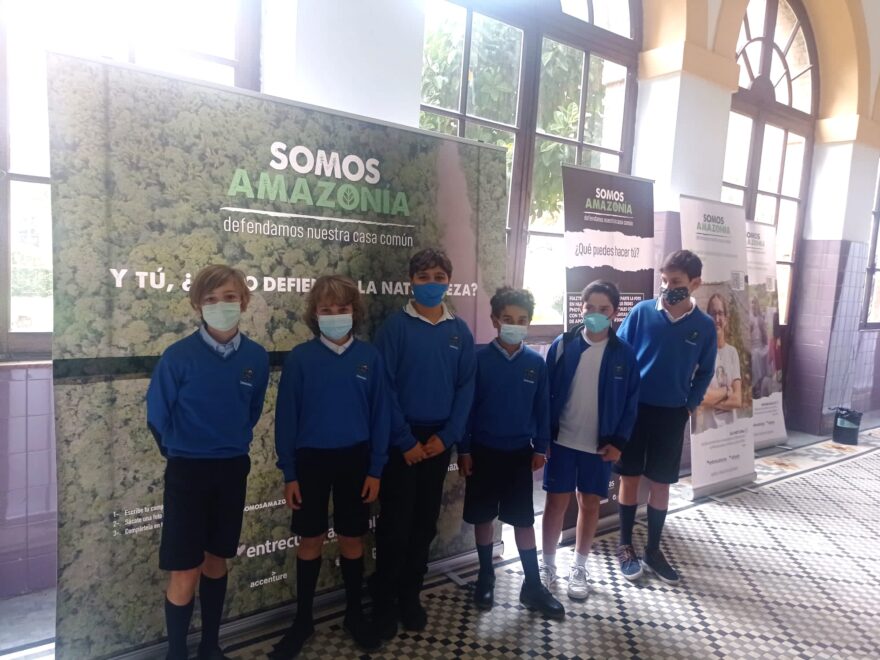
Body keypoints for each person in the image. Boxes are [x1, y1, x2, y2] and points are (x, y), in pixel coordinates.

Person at [146, 265, 270, 660]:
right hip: (187, 472)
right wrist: (186, 450)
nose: (221, 305)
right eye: (211, 299)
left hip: (231, 469)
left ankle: (210, 646)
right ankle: (176, 653)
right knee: (185, 569)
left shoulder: (255, 357)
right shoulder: (177, 357)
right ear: (198, 305)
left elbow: (251, 411)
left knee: (217, 560)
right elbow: (157, 416)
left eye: (230, 297)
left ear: (243, 301)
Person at [271, 275, 390, 659]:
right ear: (314, 314)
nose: (335, 315)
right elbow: (286, 420)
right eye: (327, 309)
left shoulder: (369, 357)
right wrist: (289, 472)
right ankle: (303, 620)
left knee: (353, 538)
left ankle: (355, 614)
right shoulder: (300, 359)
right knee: (310, 539)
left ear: (354, 312)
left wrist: (376, 469)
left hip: (356, 460)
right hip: (311, 462)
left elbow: (381, 416)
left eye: (342, 308)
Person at [370, 248, 476, 638]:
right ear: (410, 282)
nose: (431, 283)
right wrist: (404, 440)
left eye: (439, 277)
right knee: (394, 525)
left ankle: (409, 595)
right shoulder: (395, 327)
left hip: (437, 443)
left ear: (449, 281)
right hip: (401, 443)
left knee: (423, 524)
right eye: (423, 277)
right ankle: (384, 601)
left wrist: (447, 437)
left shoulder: (459, 330)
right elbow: (384, 387)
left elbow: (466, 387)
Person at [458, 287, 564, 619]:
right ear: (494, 320)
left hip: (519, 454)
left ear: (528, 323)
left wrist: (541, 447)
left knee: (522, 520)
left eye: (521, 320)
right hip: (483, 453)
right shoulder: (478, 360)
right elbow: (466, 409)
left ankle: (532, 585)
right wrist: (464, 449)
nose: (514, 325)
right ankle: (485, 575)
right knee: (483, 517)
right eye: (507, 319)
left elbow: (542, 409)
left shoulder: (535, 363)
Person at [614, 250, 717, 584]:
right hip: (635, 411)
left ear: (695, 283)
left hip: (672, 414)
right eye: (664, 280)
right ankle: (625, 546)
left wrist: (690, 404)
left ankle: (653, 550)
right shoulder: (642, 312)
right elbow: (619, 354)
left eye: (676, 282)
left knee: (661, 483)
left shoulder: (704, 326)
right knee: (629, 477)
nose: (668, 287)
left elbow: (706, 371)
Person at [540, 281, 640, 600]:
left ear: (615, 312)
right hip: (562, 442)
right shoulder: (563, 345)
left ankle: (579, 567)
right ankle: (547, 565)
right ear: (580, 309)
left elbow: (631, 404)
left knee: (590, 503)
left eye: (604, 309)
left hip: (599, 447)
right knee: (555, 503)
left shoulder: (624, 354)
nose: (596, 314)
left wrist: (619, 443)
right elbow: (544, 394)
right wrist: (543, 437)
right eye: (590, 308)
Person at [695, 293, 743, 433]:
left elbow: (737, 400)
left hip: (731, 434)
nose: (717, 319)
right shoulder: (700, 354)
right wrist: (726, 391)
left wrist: (711, 398)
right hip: (709, 435)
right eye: (713, 314)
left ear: (726, 319)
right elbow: (700, 397)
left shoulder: (732, 353)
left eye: (720, 313)